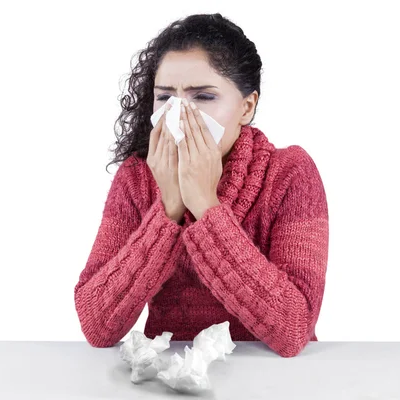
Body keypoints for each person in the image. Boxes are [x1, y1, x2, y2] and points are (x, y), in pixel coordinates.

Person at [74, 13, 329, 358]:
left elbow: (293, 328)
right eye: (165, 98)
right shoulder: (137, 177)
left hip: (273, 383)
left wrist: (205, 205)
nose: (180, 114)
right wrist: (168, 210)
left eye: (204, 97)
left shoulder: (289, 174)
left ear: (246, 106)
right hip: (169, 380)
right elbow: (97, 325)